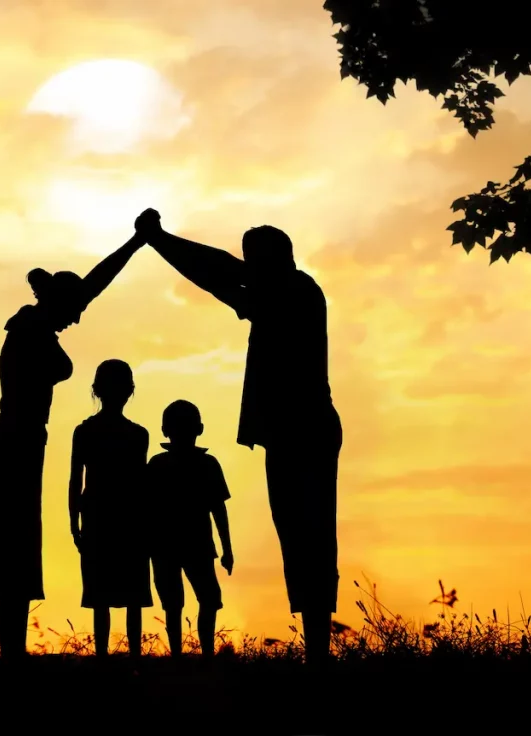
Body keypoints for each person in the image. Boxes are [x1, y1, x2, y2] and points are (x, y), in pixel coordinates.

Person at [134, 209, 342, 666]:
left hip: (304, 430)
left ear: (276, 260)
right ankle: (317, 653)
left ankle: (319, 656)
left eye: (255, 260)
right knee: (298, 537)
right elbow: (222, 275)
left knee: (311, 538)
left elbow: (221, 274)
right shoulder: (284, 290)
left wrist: (161, 240)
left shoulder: (294, 291)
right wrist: (163, 242)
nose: (248, 268)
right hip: (290, 431)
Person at [0, 232, 146, 659]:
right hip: (15, 439)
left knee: (16, 546)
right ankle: (12, 656)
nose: (76, 321)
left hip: (18, 438)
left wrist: (134, 243)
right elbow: (63, 358)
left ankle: (12, 653)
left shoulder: (34, 324)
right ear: (57, 303)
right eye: (73, 312)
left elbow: (89, 287)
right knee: (13, 548)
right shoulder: (34, 330)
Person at [69, 359, 152, 657]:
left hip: (99, 517)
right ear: (129, 391)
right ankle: (133, 658)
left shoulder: (85, 431)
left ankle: (103, 657)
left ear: (96, 390)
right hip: (127, 519)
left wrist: (73, 522)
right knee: (131, 595)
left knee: (102, 594)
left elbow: (75, 481)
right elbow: (142, 484)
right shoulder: (138, 434)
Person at [147, 399, 233, 658]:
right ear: (201, 428)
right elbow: (219, 509)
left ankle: (189, 656)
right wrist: (227, 549)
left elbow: (218, 508)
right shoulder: (200, 464)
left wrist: (227, 549)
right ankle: (198, 655)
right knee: (186, 603)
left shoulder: (163, 465)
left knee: (191, 602)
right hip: (183, 546)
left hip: (178, 547)